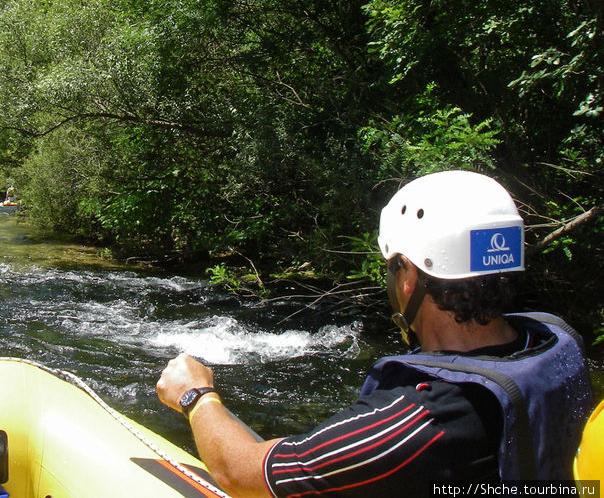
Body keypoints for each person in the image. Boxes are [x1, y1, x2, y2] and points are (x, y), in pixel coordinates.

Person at [157, 170, 593, 496]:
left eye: (393, 266)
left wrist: (197, 397)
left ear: (409, 278)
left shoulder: (426, 419)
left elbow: (243, 475)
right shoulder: (554, 344)